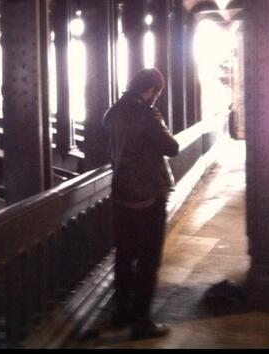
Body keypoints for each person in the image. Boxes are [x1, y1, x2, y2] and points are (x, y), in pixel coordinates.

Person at [102, 67, 179, 340]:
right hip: (148, 196)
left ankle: (120, 311)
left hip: (121, 195)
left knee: (124, 256)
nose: (156, 97)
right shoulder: (147, 114)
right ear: (151, 90)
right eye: (157, 93)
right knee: (148, 259)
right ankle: (141, 321)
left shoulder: (111, 113)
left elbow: (109, 148)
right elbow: (172, 147)